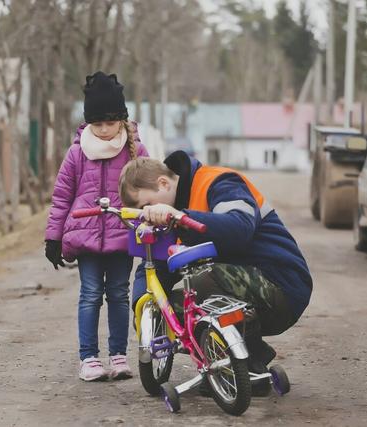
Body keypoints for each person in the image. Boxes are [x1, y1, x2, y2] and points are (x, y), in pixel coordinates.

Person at [118, 150, 312, 394]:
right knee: (171, 310)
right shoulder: (171, 210)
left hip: (281, 284)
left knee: (200, 286)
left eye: (146, 205)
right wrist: (145, 311)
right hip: (241, 285)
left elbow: (239, 229)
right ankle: (240, 362)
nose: (147, 215)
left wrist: (182, 217)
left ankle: (248, 364)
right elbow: (156, 267)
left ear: (163, 183)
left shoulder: (220, 182)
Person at [44, 72, 149, 381]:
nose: (104, 130)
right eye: (98, 123)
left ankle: (118, 356)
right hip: (84, 236)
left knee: (119, 294)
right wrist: (53, 238)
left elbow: (150, 192)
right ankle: (89, 358)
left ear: (122, 119)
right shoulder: (77, 153)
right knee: (90, 294)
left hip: (121, 235)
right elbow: (62, 197)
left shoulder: (135, 152)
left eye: (111, 122)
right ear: (88, 121)